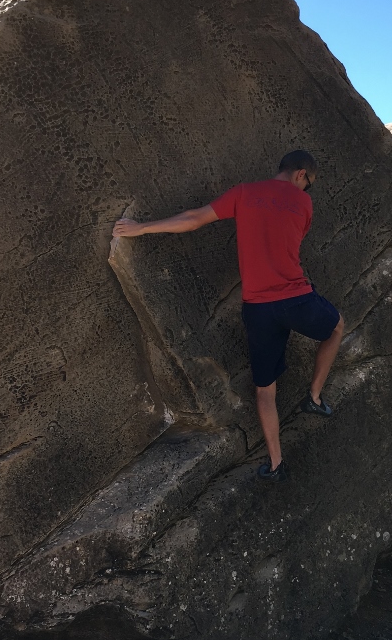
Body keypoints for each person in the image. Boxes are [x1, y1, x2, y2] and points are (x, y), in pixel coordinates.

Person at [112, 150, 344, 482]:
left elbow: (193, 218)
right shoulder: (303, 204)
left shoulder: (244, 193)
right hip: (296, 299)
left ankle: (276, 464)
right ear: (301, 175)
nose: (307, 190)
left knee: (265, 390)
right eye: (309, 184)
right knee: (336, 327)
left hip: (258, 308)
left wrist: (141, 228)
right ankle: (314, 396)